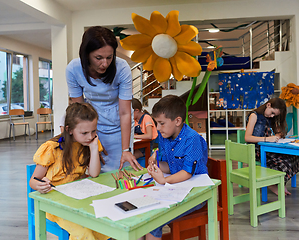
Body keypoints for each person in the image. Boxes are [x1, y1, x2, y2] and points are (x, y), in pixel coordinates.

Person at [66, 26, 142, 172]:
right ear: (86, 54)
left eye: (109, 57)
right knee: (95, 170)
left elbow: (125, 112)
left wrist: (126, 150)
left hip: (120, 126)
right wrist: (90, 140)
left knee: (122, 170)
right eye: (98, 58)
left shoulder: (122, 68)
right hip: (93, 125)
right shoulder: (73, 69)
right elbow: (79, 111)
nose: (105, 64)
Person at [29, 102, 109, 240]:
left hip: (77, 199)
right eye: (84, 133)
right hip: (54, 204)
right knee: (84, 233)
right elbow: (33, 181)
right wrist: (40, 185)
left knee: (105, 225)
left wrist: (94, 148)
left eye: (94, 131)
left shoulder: (88, 143)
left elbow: (94, 173)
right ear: (69, 129)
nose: (90, 137)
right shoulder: (52, 148)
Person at [143, 95, 208, 240]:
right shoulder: (165, 135)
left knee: (153, 220)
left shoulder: (192, 139)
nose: (158, 128)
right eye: (156, 123)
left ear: (177, 121)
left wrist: (163, 180)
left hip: (196, 194)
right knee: (142, 216)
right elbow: (170, 166)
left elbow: (187, 173)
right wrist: (156, 167)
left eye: (161, 123)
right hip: (176, 189)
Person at [245, 97, 299, 195]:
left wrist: (277, 135)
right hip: (256, 150)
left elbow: (278, 132)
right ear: (268, 105)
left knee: (295, 156)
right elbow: (247, 137)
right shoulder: (254, 115)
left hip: (267, 147)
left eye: (275, 115)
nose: (272, 116)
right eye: (272, 113)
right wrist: (267, 139)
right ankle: (272, 184)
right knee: (284, 162)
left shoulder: (269, 117)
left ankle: (281, 182)